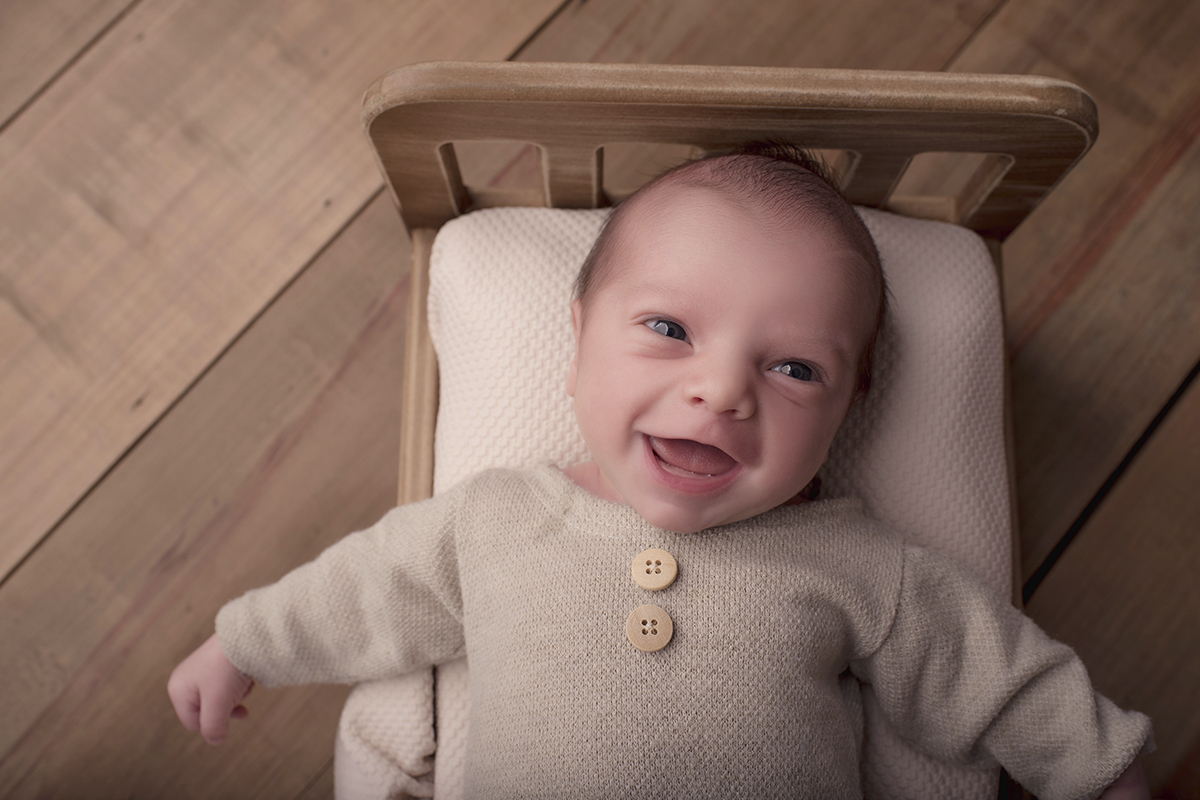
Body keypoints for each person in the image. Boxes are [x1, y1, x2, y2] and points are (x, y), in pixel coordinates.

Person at [169, 144, 1152, 799]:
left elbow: (996, 672)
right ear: (579, 331)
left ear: (851, 405)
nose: (722, 389)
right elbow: (366, 587)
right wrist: (245, 639)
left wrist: (1103, 769)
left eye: (796, 367)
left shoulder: (858, 563)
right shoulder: (498, 517)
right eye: (668, 329)